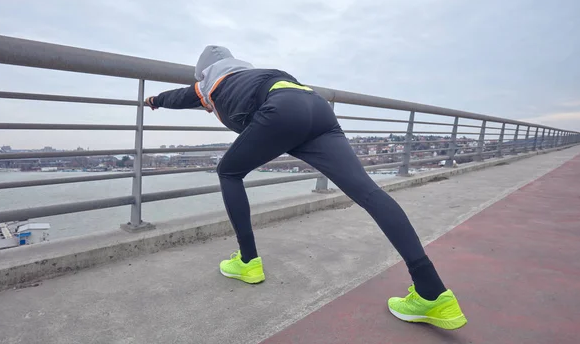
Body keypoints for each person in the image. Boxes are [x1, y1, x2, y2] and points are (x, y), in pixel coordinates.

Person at [144, 45, 467, 330]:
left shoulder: (210, 83)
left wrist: (154, 100)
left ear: (202, 73)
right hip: (316, 107)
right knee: (369, 192)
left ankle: (247, 262)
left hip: (281, 111)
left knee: (229, 171)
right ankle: (433, 293)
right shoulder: (253, 74)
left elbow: (182, 97)